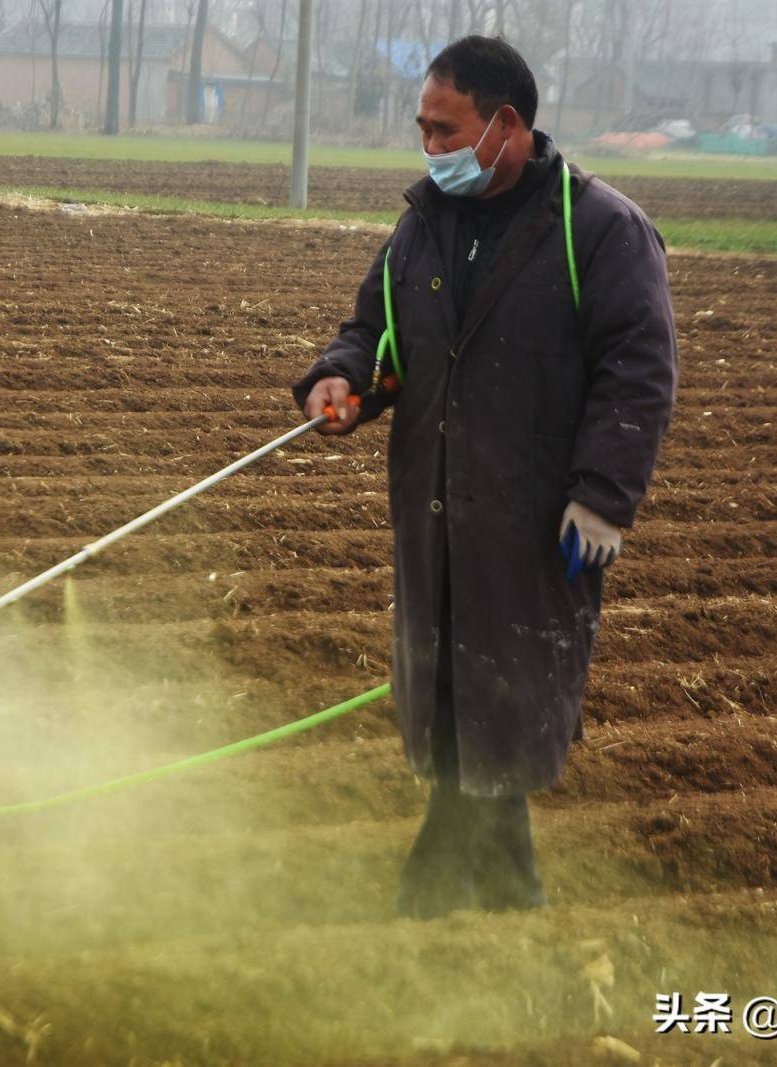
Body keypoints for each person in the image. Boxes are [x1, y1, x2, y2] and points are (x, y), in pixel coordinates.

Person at [292, 36, 678, 918]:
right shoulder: (424, 224)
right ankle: (510, 901)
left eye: (445, 130)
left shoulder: (601, 232)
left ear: (506, 126)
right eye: (422, 129)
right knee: (458, 711)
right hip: (433, 518)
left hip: (539, 531)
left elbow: (640, 370)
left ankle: (431, 899)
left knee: (498, 711)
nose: (429, 148)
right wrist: (340, 378)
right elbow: (375, 331)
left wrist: (604, 498)